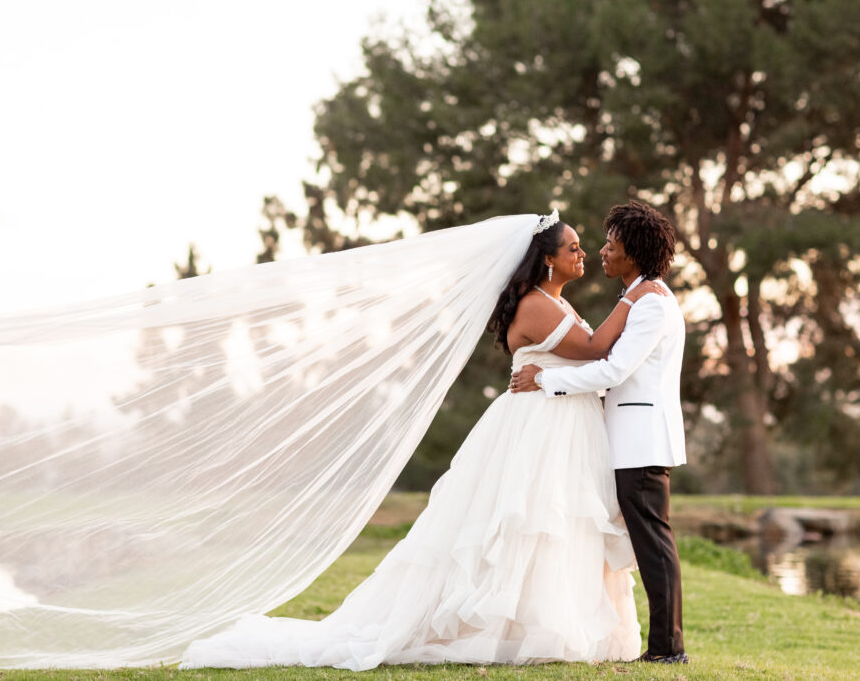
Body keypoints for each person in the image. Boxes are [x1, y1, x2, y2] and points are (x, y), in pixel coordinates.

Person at [180, 211, 664, 671]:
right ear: (547, 259)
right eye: (574, 248)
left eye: (585, 247)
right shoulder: (538, 305)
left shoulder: (557, 302)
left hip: (563, 426)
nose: (584, 254)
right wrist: (635, 294)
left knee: (557, 524)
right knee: (530, 521)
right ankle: (517, 627)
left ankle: (552, 622)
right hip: (539, 428)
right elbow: (598, 348)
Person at [511, 200, 689, 665]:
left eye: (611, 244)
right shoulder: (639, 296)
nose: (603, 252)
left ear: (631, 251)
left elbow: (613, 369)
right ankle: (665, 646)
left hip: (641, 438)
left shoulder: (650, 300)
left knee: (653, 543)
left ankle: (668, 650)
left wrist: (545, 380)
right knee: (648, 541)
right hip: (629, 438)